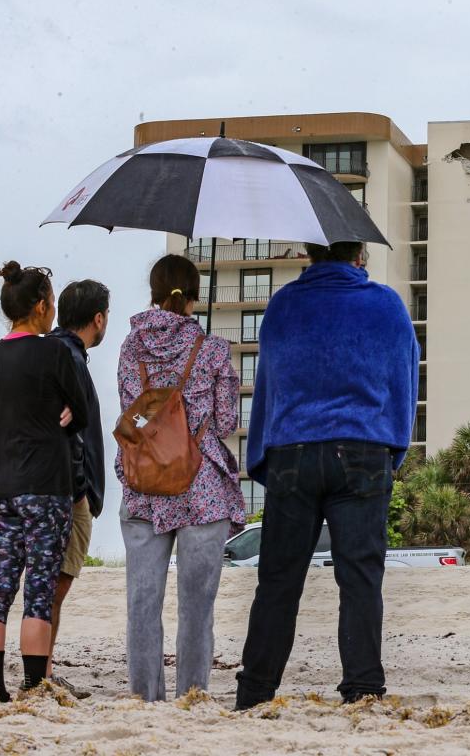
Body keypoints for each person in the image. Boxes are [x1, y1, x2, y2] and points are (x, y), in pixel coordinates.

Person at [235, 241, 418, 710]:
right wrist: (391, 453)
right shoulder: (387, 305)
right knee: (359, 578)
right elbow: (404, 385)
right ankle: (362, 688)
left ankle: (255, 691)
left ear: (309, 253)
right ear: (359, 254)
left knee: (278, 580)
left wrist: (263, 459)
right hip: (363, 448)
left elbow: (268, 385)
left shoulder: (283, 304)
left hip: (293, 451)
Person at [117, 254, 244, 702]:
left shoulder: (131, 345)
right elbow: (226, 422)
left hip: (144, 485)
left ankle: (146, 696)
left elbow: (132, 415)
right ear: (192, 297)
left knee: (142, 602)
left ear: (153, 291)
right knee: (196, 607)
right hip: (200, 488)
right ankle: (192, 695)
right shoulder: (210, 349)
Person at [0, 261, 89, 702]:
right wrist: (66, 413)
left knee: (0, 585)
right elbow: (80, 411)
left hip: (1, 485)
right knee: (39, 589)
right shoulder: (54, 352)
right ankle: (32, 684)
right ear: (41, 306)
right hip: (45, 485)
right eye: (53, 303)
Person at [44, 279, 110, 699]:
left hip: (60, 487)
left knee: (54, 584)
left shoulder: (60, 352)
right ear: (98, 319)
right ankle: (43, 671)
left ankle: (44, 668)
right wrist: (81, 491)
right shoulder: (68, 356)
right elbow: (71, 433)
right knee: (57, 584)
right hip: (70, 491)